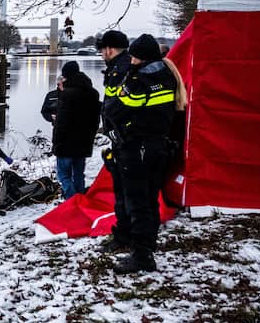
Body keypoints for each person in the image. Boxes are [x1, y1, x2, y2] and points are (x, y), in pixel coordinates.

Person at [103, 34, 178, 274]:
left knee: (138, 202)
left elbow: (116, 108)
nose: (131, 61)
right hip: (156, 147)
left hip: (139, 148)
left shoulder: (141, 79)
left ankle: (142, 255)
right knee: (149, 200)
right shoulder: (166, 75)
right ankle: (141, 245)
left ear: (142, 57)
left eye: (134, 57)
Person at [95, 29, 133, 254]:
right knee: (127, 193)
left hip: (125, 140)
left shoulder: (120, 70)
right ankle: (126, 235)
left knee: (125, 193)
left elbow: (116, 106)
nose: (101, 54)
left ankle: (124, 237)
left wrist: (114, 130)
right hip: (124, 139)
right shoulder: (125, 66)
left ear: (109, 49)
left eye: (102, 50)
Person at [52, 61, 101, 198]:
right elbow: (95, 120)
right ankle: (81, 200)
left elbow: (62, 122)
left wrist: (56, 143)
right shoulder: (93, 93)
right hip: (84, 142)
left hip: (66, 143)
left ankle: (73, 201)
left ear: (66, 76)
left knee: (63, 175)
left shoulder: (67, 95)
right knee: (79, 174)